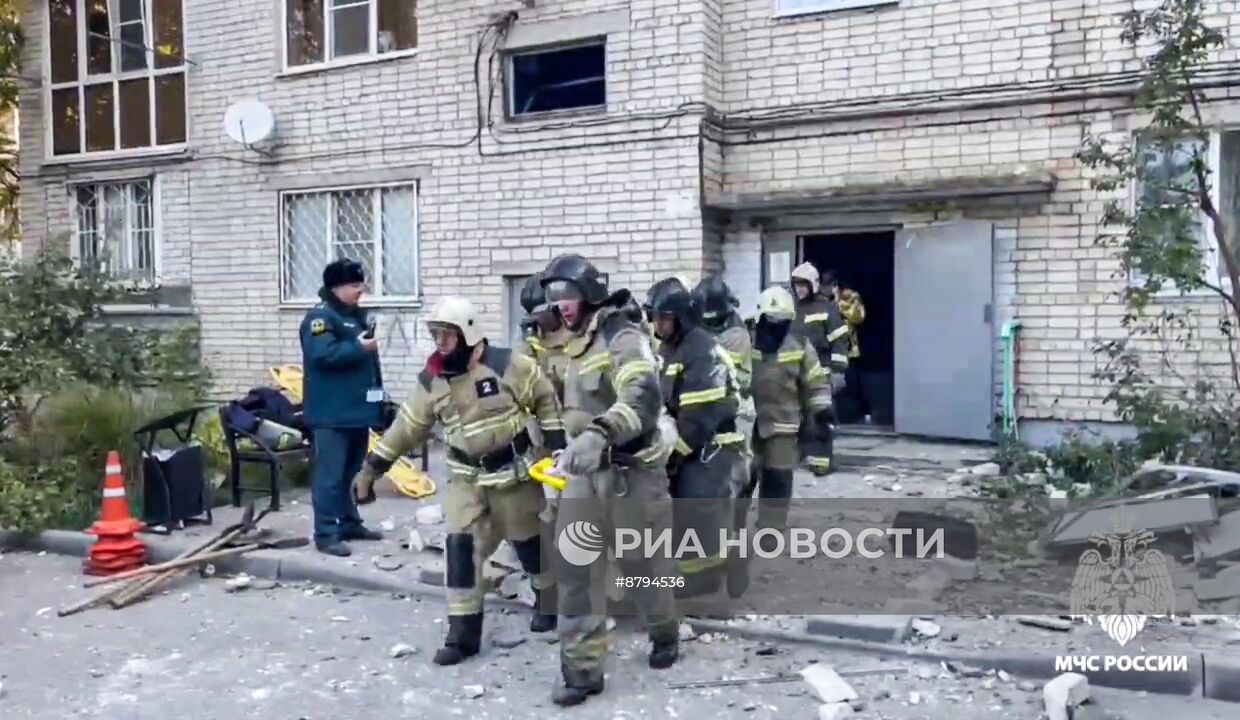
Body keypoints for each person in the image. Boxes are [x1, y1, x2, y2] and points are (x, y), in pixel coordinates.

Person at [351, 296, 564, 665]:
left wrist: (556, 447)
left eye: (446, 334)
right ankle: (462, 635)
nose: (440, 342)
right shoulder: (432, 380)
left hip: (514, 477)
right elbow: (407, 427)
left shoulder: (509, 365)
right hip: (467, 480)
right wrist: (372, 469)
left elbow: (545, 398)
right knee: (461, 553)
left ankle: (547, 599)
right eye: (435, 334)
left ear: (468, 332)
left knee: (530, 545)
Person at [540, 253, 680, 707]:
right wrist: (574, 444)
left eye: (567, 295)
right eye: (553, 296)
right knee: (576, 570)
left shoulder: (623, 335)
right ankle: (582, 671)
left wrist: (600, 433)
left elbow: (641, 397)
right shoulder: (574, 341)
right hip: (586, 472)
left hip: (631, 474)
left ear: (590, 295)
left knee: (642, 567)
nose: (559, 305)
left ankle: (664, 632)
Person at [645, 277, 744, 599]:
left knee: (695, 505)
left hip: (712, 446)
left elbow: (699, 418)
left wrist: (672, 459)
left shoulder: (701, 350)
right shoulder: (670, 348)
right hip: (688, 440)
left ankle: (705, 580)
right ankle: (699, 569)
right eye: (655, 318)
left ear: (681, 317)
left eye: (663, 318)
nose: (657, 325)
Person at [730, 286, 833, 595]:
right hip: (746, 427)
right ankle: (731, 531)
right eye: (771, 322)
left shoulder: (799, 345)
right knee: (740, 482)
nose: (776, 328)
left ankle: (770, 533)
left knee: (778, 480)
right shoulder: (741, 341)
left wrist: (822, 411)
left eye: (782, 322)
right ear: (759, 317)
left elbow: (815, 381)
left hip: (783, 427)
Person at [299, 259, 386, 558]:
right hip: (331, 416)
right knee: (331, 475)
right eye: (354, 285)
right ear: (336, 287)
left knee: (352, 471)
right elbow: (323, 355)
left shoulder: (355, 317)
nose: (360, 290)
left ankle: (349, 523)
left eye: (361, 284)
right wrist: (359, 348)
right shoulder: (320, 319)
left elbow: (369, 368)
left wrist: (378, 405)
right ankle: (326, 533)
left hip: (357, 413)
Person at [789, 262, 846, 476]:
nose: (799, 289)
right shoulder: (791, 308)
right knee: (796, 418)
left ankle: (822, 462)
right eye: (796, 285)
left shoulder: (826, 308)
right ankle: (799, 456)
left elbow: (840, 341)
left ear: (812, 285)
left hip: (820, 372)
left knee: (820, 417)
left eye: (803, 285)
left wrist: (838, 370)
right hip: (794, 372)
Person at [824, 272, 867, 423]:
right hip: (828, 350)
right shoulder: (821, 300)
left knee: (852, 383)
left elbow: (858, 317)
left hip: (849, 349)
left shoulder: (850, 298)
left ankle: (858, 414)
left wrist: (837, 302)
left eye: (829, 286)